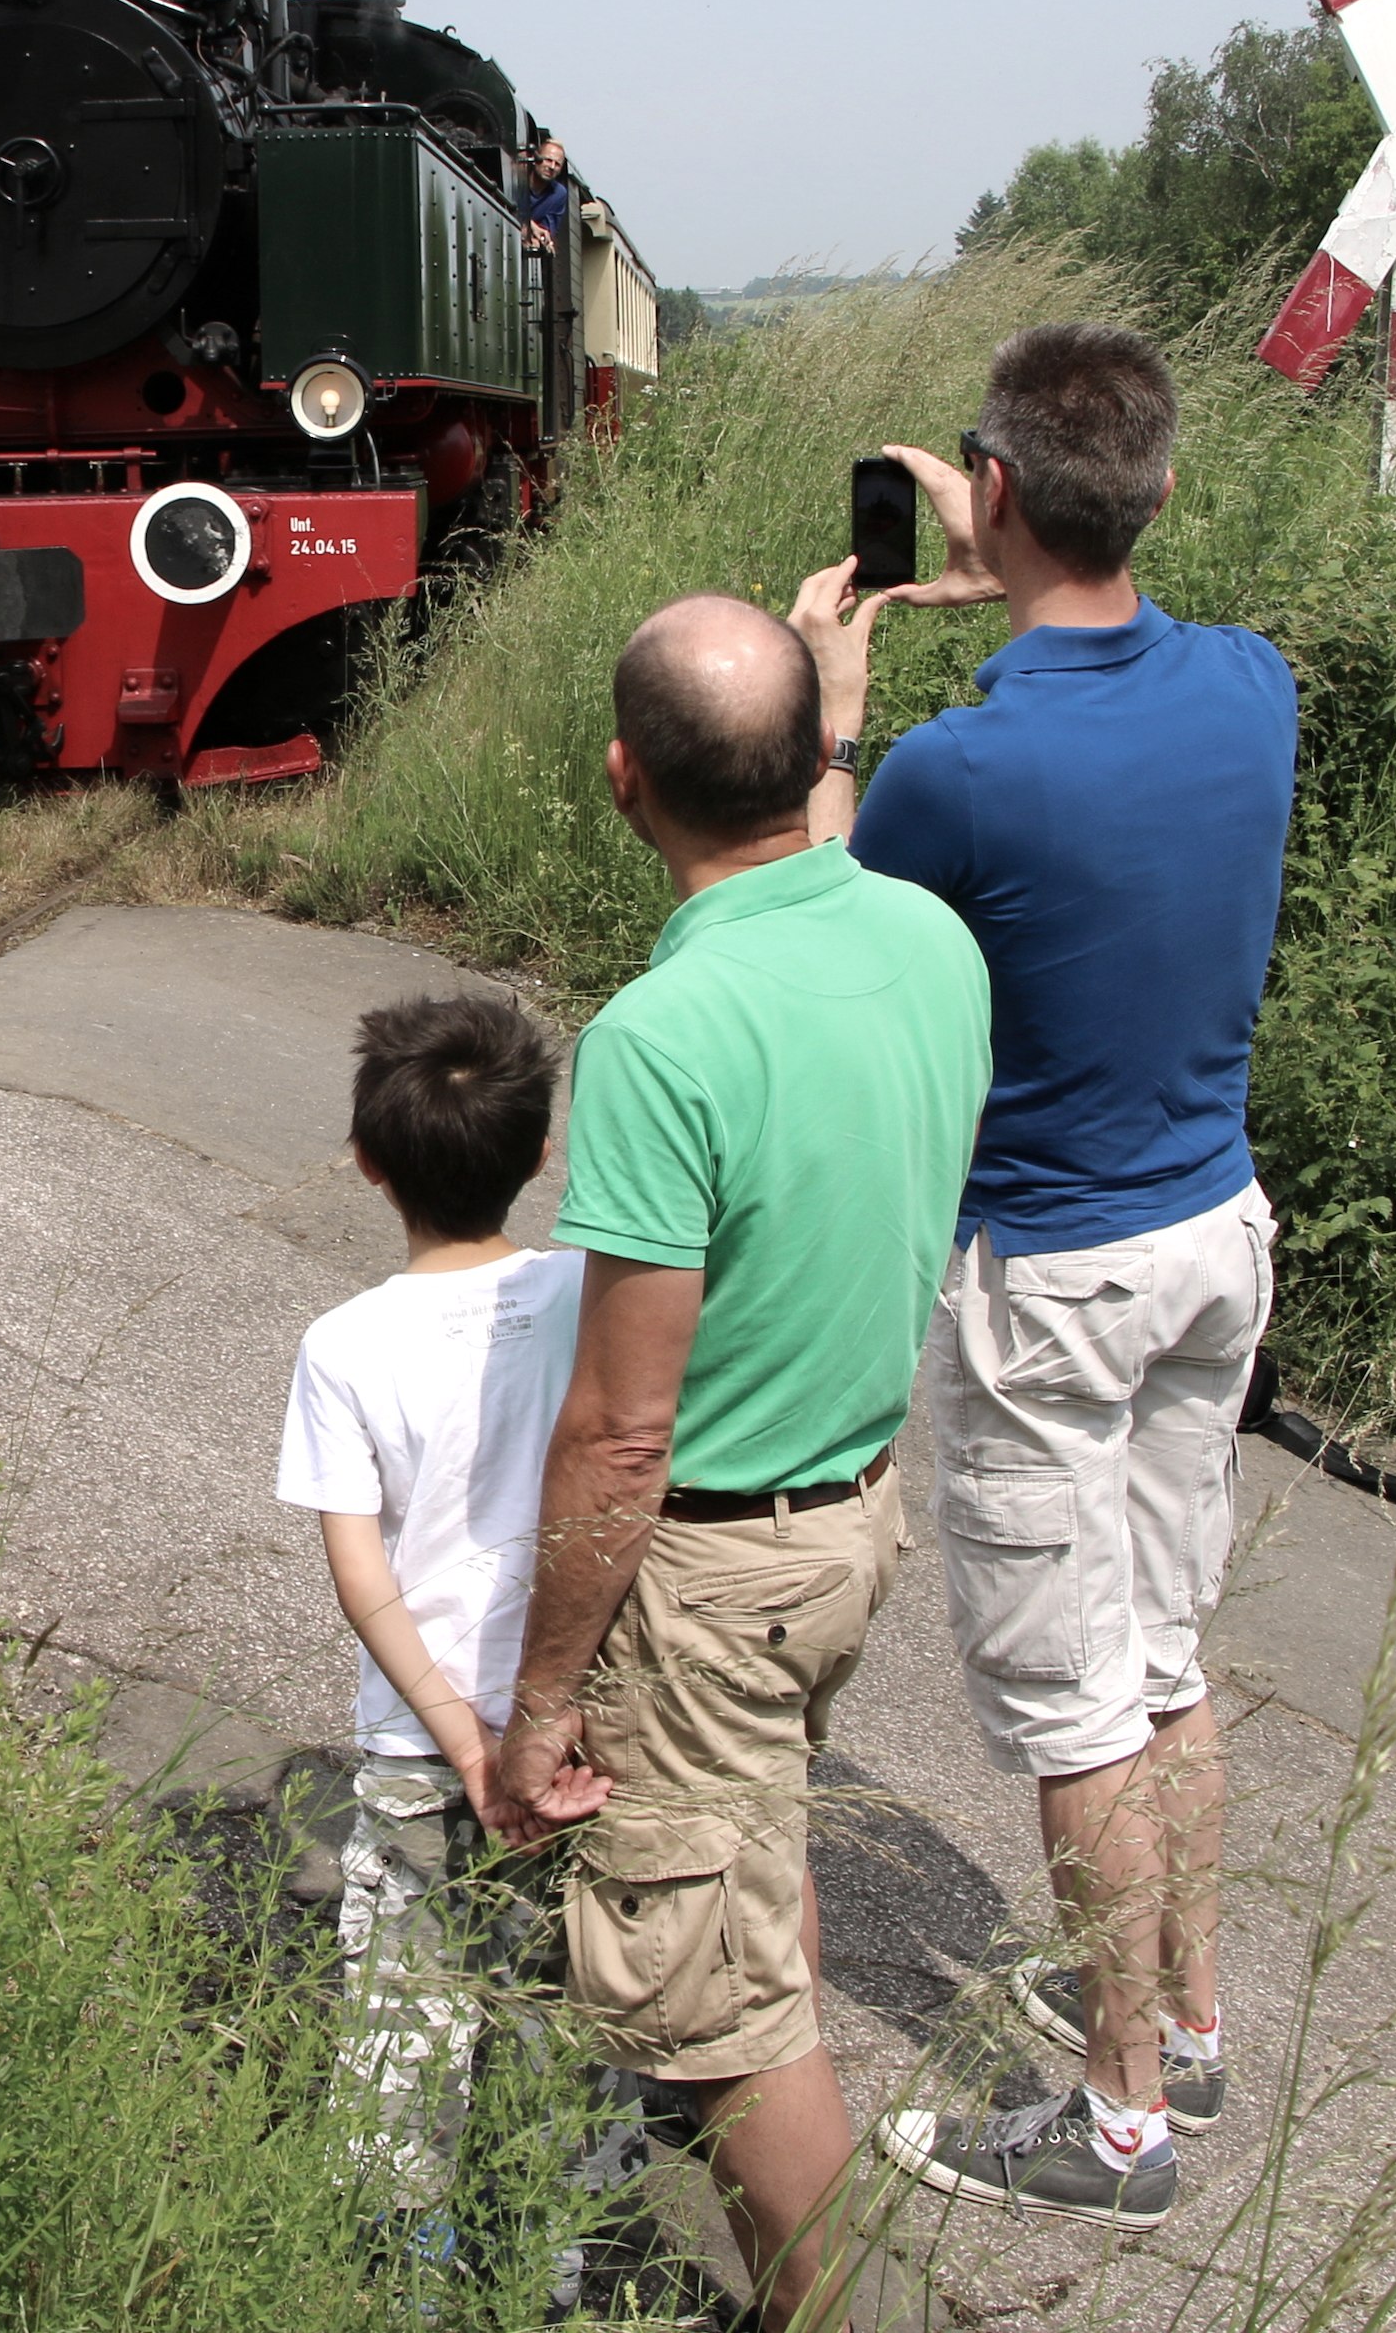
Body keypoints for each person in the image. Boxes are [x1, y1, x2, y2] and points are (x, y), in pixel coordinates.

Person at [797, 322, 1297, 2233]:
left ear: (990, 492)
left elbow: (828, 942)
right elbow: (1128, 634)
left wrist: (839, 716)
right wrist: (1015, 545)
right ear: (1157, 490)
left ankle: (1116, 2124)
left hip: (1057, 1278)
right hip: (1214, 1238)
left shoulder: (960, 771)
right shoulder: (1255, 689)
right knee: (1164, 1656)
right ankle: (1192, 2024)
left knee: (1079, 1707)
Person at [481, 592, 988, 2330]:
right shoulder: (926, 937)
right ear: (801, 761)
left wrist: (543, 1697)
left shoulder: (661, 1038)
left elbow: (623, 1428)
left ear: (624, 780)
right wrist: (837, 703)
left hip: (706, 1574)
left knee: (725, 2014)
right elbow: (817, 852)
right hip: (850, 1522)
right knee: (752, 1871)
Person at [269, 991, 580, 2247]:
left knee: (407, 2022)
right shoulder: (591, 1295)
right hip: (579, 1734)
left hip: (419, 1739)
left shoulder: (344, 1345)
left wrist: (459, 1741)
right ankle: (550, 2265)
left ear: (368, 1162)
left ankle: (404, 2268)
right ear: (541, 1153)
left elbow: (364, 1576)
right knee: (562, 2015)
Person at [519, 135, 574, 253]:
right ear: (535, 159)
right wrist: (531, 225)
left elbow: (546, 230)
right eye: (548, 160)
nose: (552, 167)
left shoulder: (558, 194)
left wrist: (539, 241)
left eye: (557, 164)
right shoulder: (517, 179)